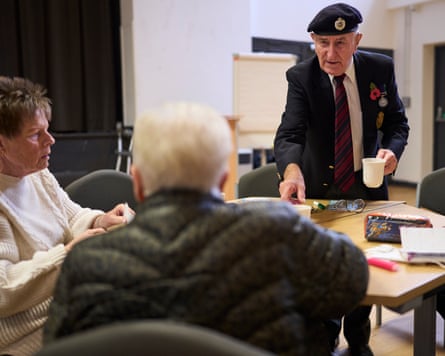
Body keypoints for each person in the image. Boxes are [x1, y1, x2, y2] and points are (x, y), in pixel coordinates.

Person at [43, 101, 369, 355]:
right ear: (224, 180)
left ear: (137, 183)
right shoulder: (278, 232)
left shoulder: (84, 264)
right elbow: (351, 282)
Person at [273, 3, 409, 356]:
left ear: (357, 40)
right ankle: (328, 334)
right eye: (322, 43)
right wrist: (291, 170)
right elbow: (290, 134)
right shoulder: (301, 77)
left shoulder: (380, 69)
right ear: (313, 42)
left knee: (367, 263)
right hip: (321, 193)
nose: (330, 53)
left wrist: (393, 151)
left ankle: (359, 338)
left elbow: (397, 123)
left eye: (340, 43)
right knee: (325, 268)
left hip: (369, 191)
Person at [0, 76, 131, 355]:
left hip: (63, 304)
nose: (51, 140)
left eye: (47, 130)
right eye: (36, 135)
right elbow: (3, 289)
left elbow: (70, 217)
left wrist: (100, 220)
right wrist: (69, 255)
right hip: (26, 334)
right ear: (1, 145)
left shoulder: (37, 174)